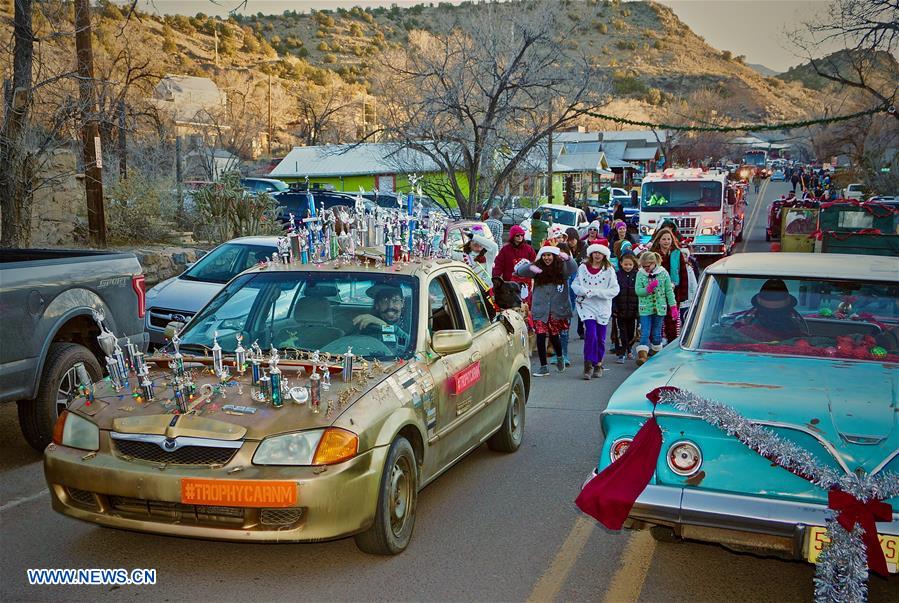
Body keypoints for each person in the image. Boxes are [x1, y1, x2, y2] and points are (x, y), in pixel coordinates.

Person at [515, 245, 577, 377]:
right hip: (540, 309)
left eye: (549, 255)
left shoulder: (562, 269)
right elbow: (521, 271)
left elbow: (573, 267)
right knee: (541, 336)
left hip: (555, 309)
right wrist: (533, 264)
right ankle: (544, 367)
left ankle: (560, 356)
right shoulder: (538, 270)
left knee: (554, 336)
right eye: (544, 255)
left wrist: (566, 256)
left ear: (554, 256)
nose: (546, 258)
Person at [571, 244, 619, 379]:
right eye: (595, 252)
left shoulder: (609, 270)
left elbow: (615, 290)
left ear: (604, 255)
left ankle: (598, 363)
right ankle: (588, 365)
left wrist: (597, 292)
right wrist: (585, 291)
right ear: (591, 254)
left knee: (601, 338)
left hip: (602, 306)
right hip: (587, 305)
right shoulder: (582, 268)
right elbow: (575, 284)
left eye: (600, 253)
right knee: (591, 333)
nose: (597, 255)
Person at [635, 252, 677, 366]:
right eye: (643, 266)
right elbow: (638, 291)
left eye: (647, 266)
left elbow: (669, 291)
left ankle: (656, 353)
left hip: (660, 308)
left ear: (654, 263)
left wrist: (673, 307)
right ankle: (642, 356)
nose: (645, 269)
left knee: (657, 332)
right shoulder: (640, 274)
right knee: (645, 332)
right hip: (645, 309)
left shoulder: (663, 273)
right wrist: (648, 289)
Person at [732, 279, 808, 341]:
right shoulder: (799, 336)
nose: (773, 317)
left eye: (778, 313)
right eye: (767, 313)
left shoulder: (741, 332)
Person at [649, 227, 689, 343]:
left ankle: (672, 342)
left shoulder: (677, 254)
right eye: (664, 239)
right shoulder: (653, 254)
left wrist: (683, 294)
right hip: (657, 291)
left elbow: (683, 274)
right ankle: (656, 343)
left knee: (672, 318)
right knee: (657, 317)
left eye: (668, 239)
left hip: (673, 291)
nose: (666, 241)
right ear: (659, 240)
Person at [353, 284, 411, 350]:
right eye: (384, 300)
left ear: (402, 303)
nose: (390, 306)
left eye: (395, 300)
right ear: (377, 305)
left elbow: (411, 346)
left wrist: (384, 325)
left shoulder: (413, 322)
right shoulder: (367, 325)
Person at [611, 252, 639, 364]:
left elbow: (639, 294)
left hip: (632, 310)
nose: (628, 266)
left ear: (634, 264)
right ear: (621, 264)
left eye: (630, 264)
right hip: (620, 309)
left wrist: (638, 310)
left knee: (631, 332)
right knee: (621, 332)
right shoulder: (617, 275)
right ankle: (621, 352)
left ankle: (629, 349)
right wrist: (614, 308)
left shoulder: (637, 275)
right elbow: (613, 293)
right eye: (625, 264)